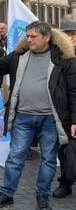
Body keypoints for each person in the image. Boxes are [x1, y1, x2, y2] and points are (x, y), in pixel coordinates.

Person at [0, 21, 76, 210]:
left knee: (49, 159)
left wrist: (75, 120)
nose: (29, 39)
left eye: (33, 36)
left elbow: (73, 92)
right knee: (16, 156)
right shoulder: (18, 56)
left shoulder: (63, 59)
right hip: (23, 117)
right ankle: (6, 193)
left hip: (51, 119)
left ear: (46, 37)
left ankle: (42, 196)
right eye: (28, 36)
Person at [55, 18, 76, 199]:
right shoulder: (61, 57)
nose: (70, 38)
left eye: (72, 34)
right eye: (67, 34)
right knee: (66, 148)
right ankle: (66, 182)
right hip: (66, 109)